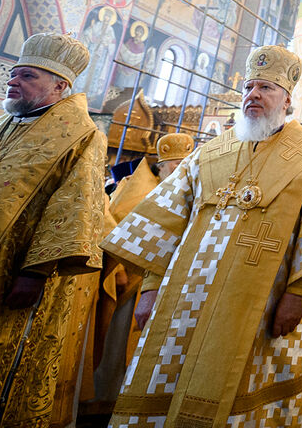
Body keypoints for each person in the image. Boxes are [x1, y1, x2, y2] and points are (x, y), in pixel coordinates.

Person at [100, 45, 302, 426]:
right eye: (249, 87)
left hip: (262, 300)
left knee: (245, 391)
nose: (253, 94)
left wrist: (296, 295)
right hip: (186, 298)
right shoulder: (208, 153)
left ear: (286, 100)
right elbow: (166, 222)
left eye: (265, 87)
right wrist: (151, 287)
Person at [0, 33, 106, 426]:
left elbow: (77, 205)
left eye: (26, 76)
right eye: (12, 74)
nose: (12, 82)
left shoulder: (83, 134)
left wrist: (34, 272)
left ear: (60, 86)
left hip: (8, 273)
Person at [87, 132, 196, 415]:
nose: (181, 173)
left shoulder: (184, 192)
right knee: (120, 341)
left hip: (168, 282)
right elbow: (114, 228)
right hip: (132, 284)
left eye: (186, 168)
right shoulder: (137, 190)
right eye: (176, 168)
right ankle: (108, 401)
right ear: (161, 166)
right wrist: (122, 270)